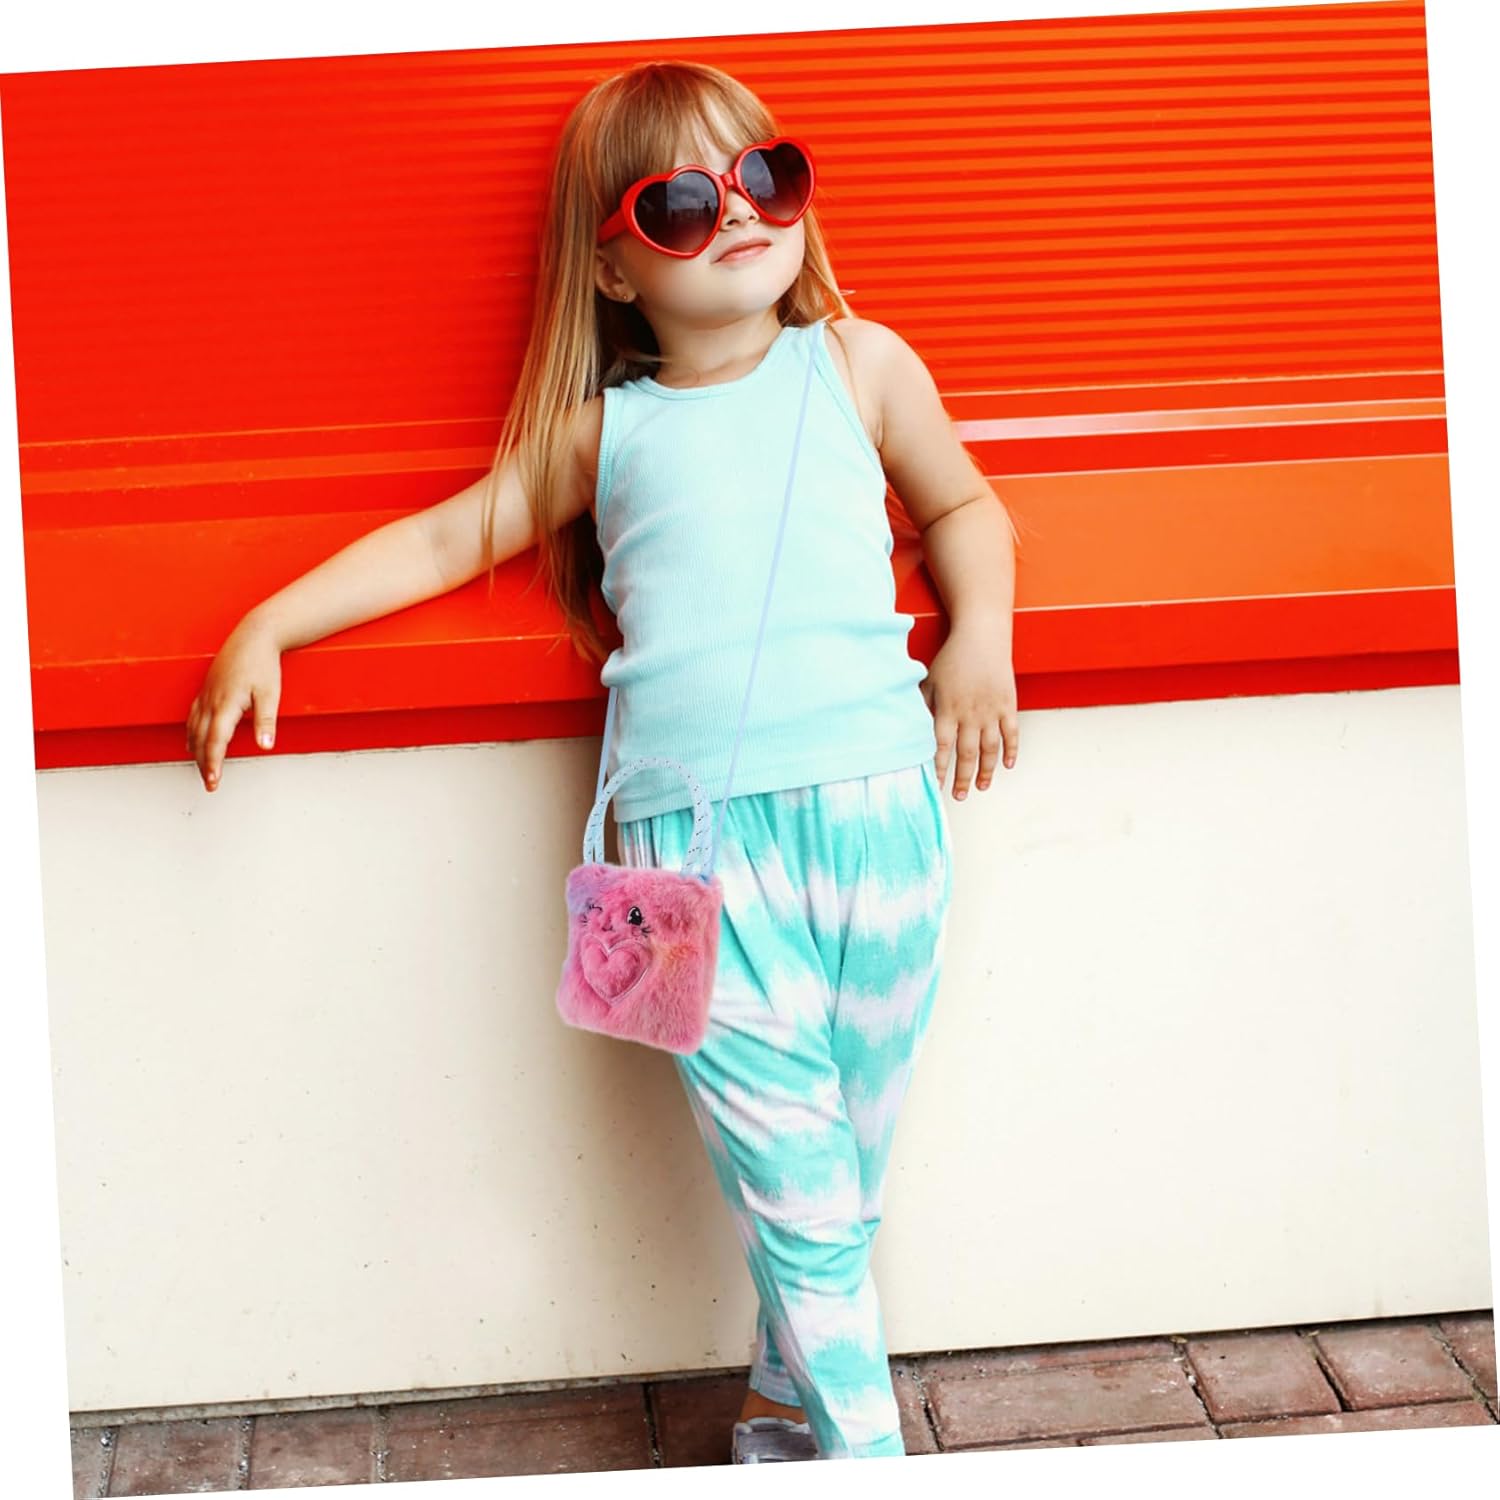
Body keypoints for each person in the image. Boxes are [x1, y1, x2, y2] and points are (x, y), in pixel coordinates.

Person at [185, 59, 1020, 1464]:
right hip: (696, 861)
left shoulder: (861, 365)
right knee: (806, 1201)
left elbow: (964, 506)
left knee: (845, 1171)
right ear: (615, 267)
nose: (738, 214)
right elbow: (444, 538)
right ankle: (868, 1456)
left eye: (767, 179)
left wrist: (980, 638)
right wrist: (269, 621)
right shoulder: (608, 434)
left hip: (883, 821)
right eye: (682, 203)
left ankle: (781, 1403)